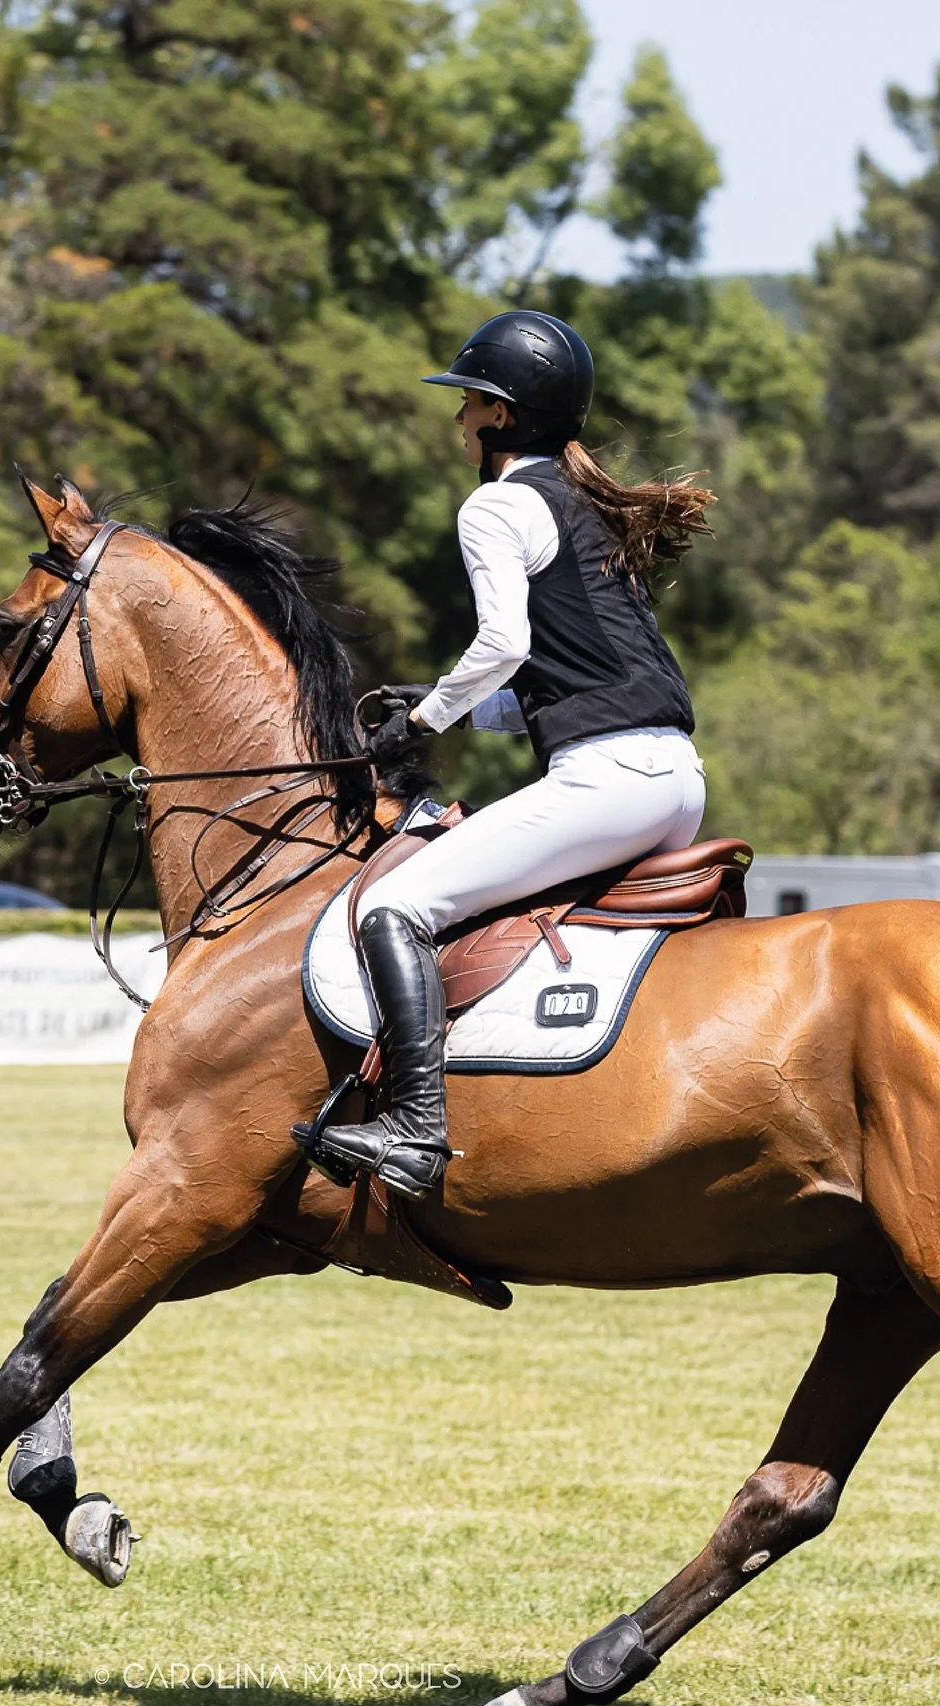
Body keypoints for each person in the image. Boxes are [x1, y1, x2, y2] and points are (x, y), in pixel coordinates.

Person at [310, 309, 714, 1201]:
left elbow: (499, 642)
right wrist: (439, 704)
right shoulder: (588, 508)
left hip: (608, 782)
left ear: (501, 416)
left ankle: (415, 1130)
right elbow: (556, 683)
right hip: (672, 777)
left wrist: (422, 726)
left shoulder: (496, 504)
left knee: (399, 905)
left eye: (466, 406)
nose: (456, 424)